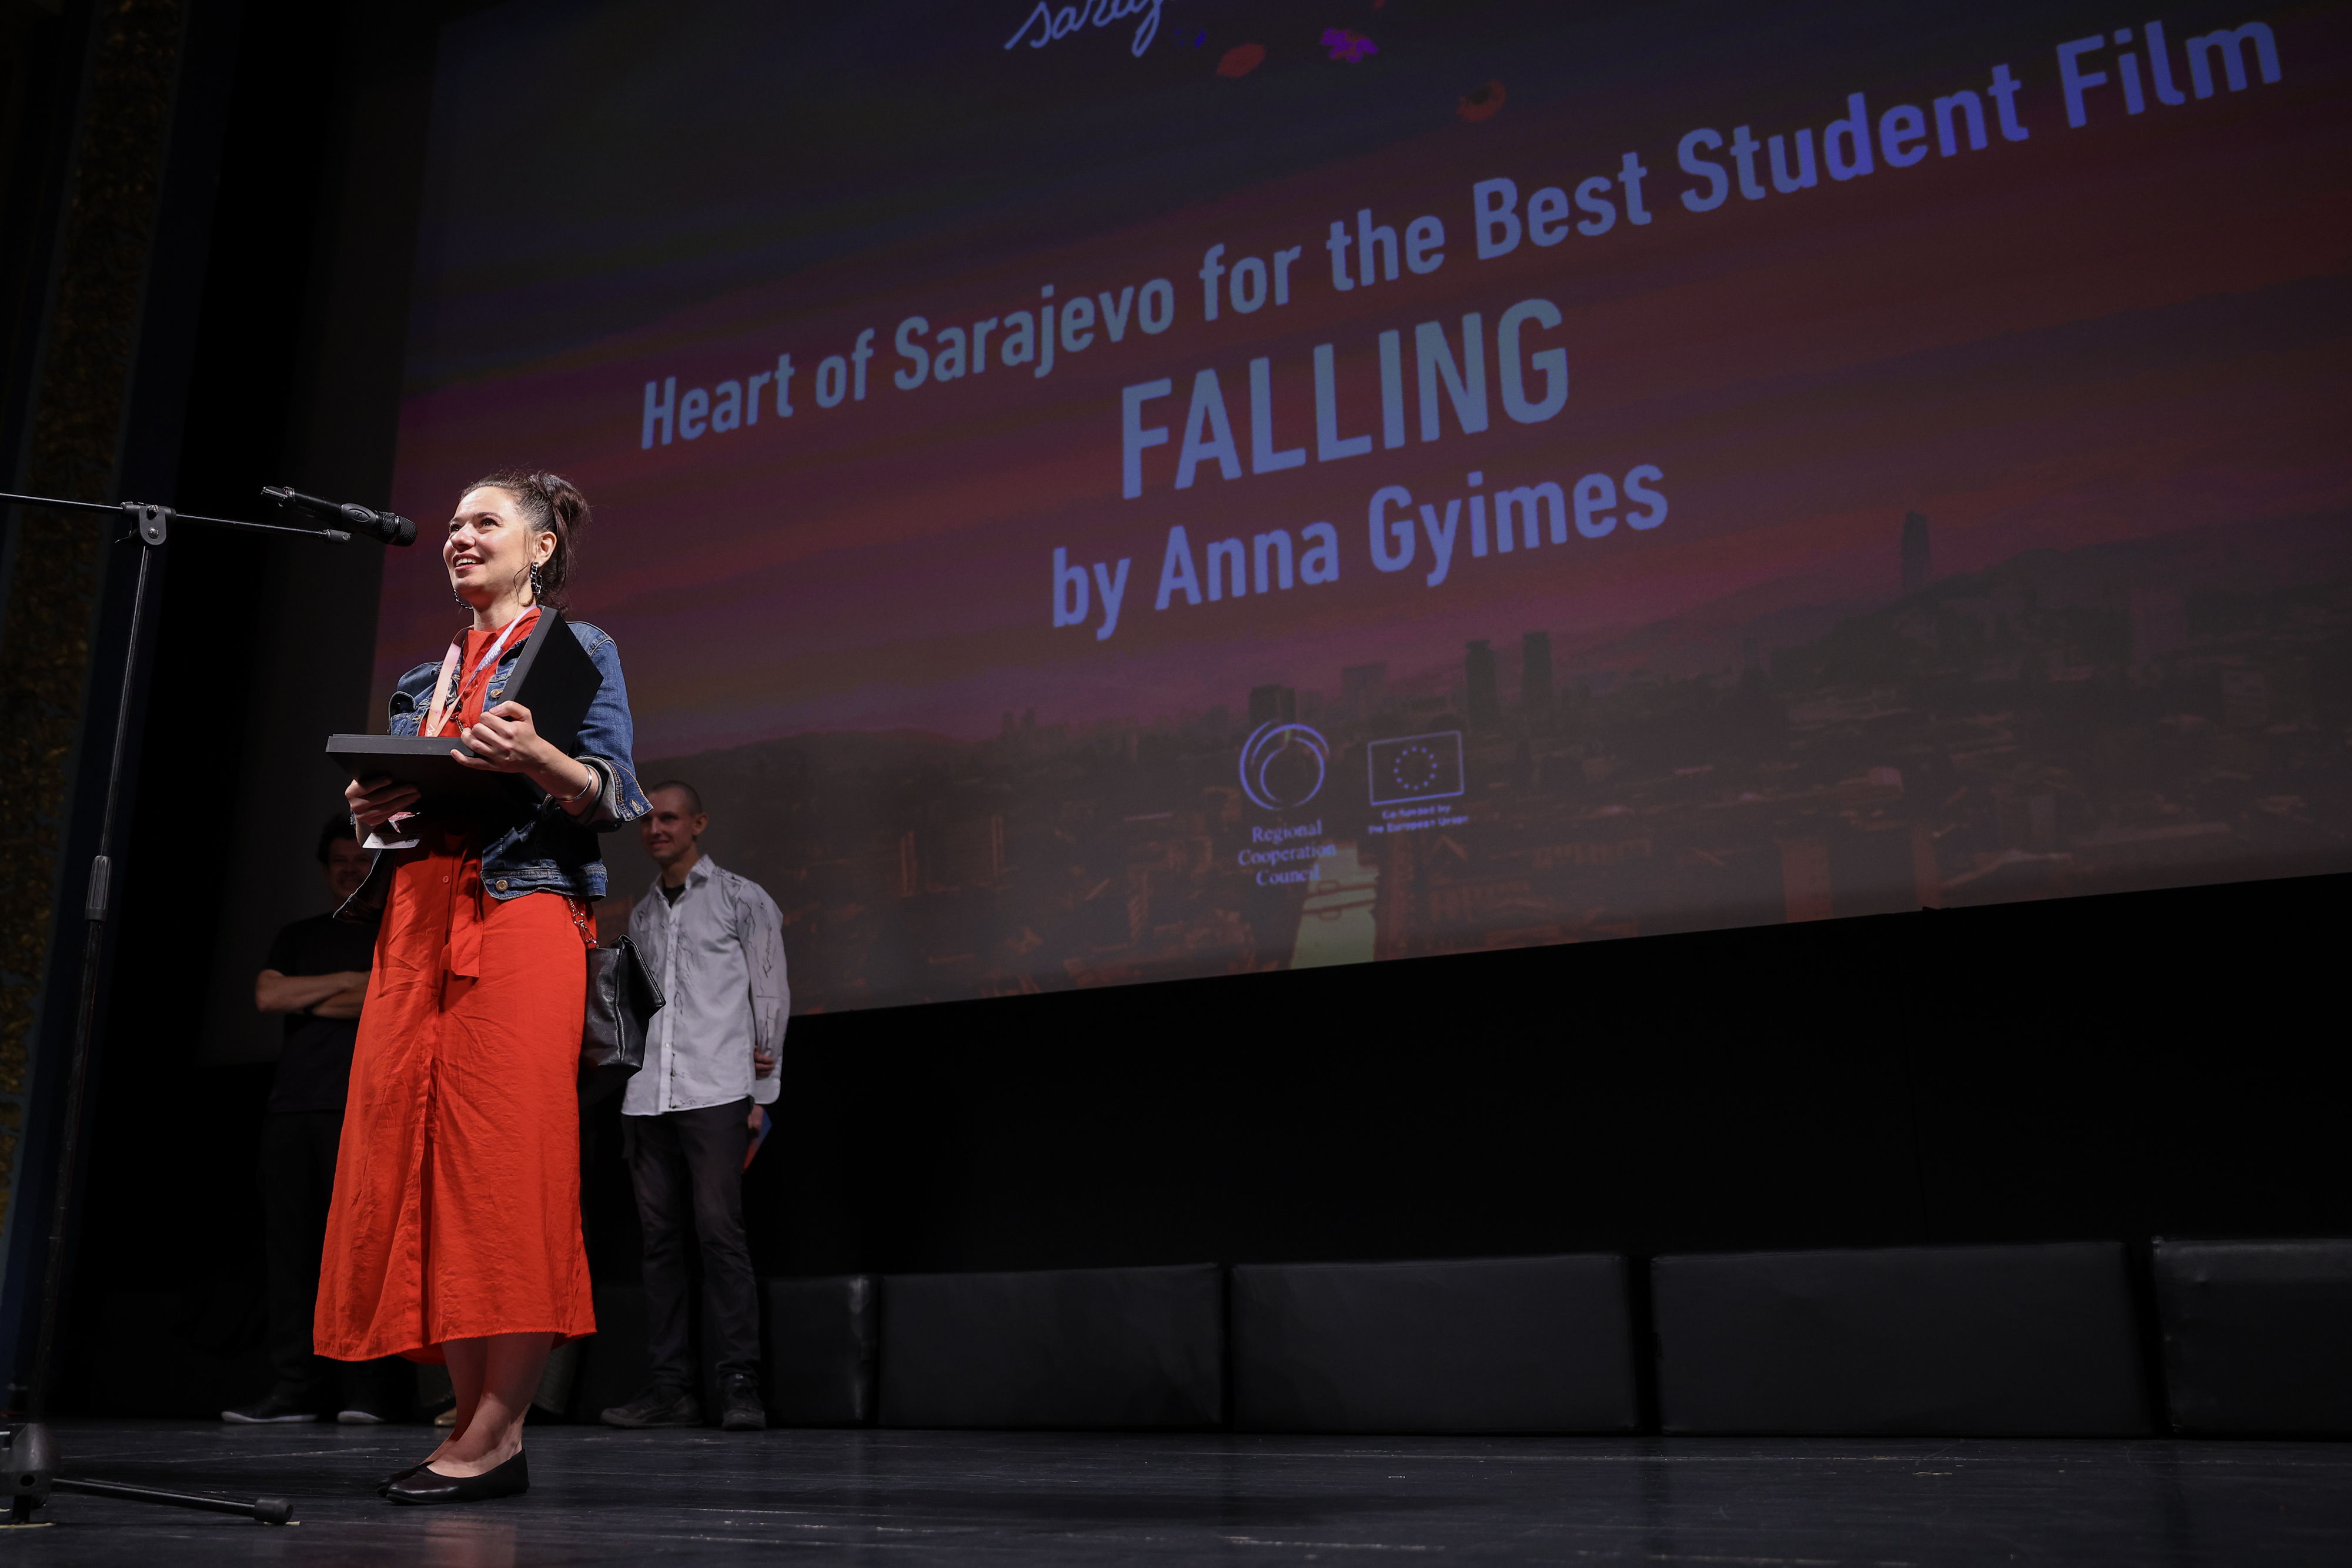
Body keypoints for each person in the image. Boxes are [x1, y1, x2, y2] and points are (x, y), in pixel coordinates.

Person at [331, 470, 649, 1506]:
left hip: (518, 921)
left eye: (485, 523)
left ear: (541, 547)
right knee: (424, 1163)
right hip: (418, 925)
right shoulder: (422, 676)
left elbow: (613, 795)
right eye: (455, 525)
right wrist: (376, 809)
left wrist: (538, 752)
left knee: (507, 1167)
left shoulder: (577, 650)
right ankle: (470, 1426)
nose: (458, 538)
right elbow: (403, 825)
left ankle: (499, 1431)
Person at [600, 781, 786, 1433]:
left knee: (719, 1235)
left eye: (669, 818)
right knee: (658, 1243)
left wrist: (762, 1096)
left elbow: (771, 996)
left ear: (698, 823)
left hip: (717, 1087)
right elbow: (637, 1007)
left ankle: (739, 1383)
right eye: (648, 820)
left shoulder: (742, 898)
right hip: (649, 1094)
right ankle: (671, 1386)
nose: (655, 829)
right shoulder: (644, 913)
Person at [222, 816, 404, 1425]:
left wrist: (324, 993)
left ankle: (365, 1393)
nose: (351, 870)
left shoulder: (397, 933)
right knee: (291, 1256)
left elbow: (390, 998)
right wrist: (355, 984)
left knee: (360, 1255)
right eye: (340, 861)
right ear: (326, 870)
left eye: (361, 860)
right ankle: (293, 1389)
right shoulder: (297, 935)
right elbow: (269, 996)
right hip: (290, 1110)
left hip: (364, 1113)